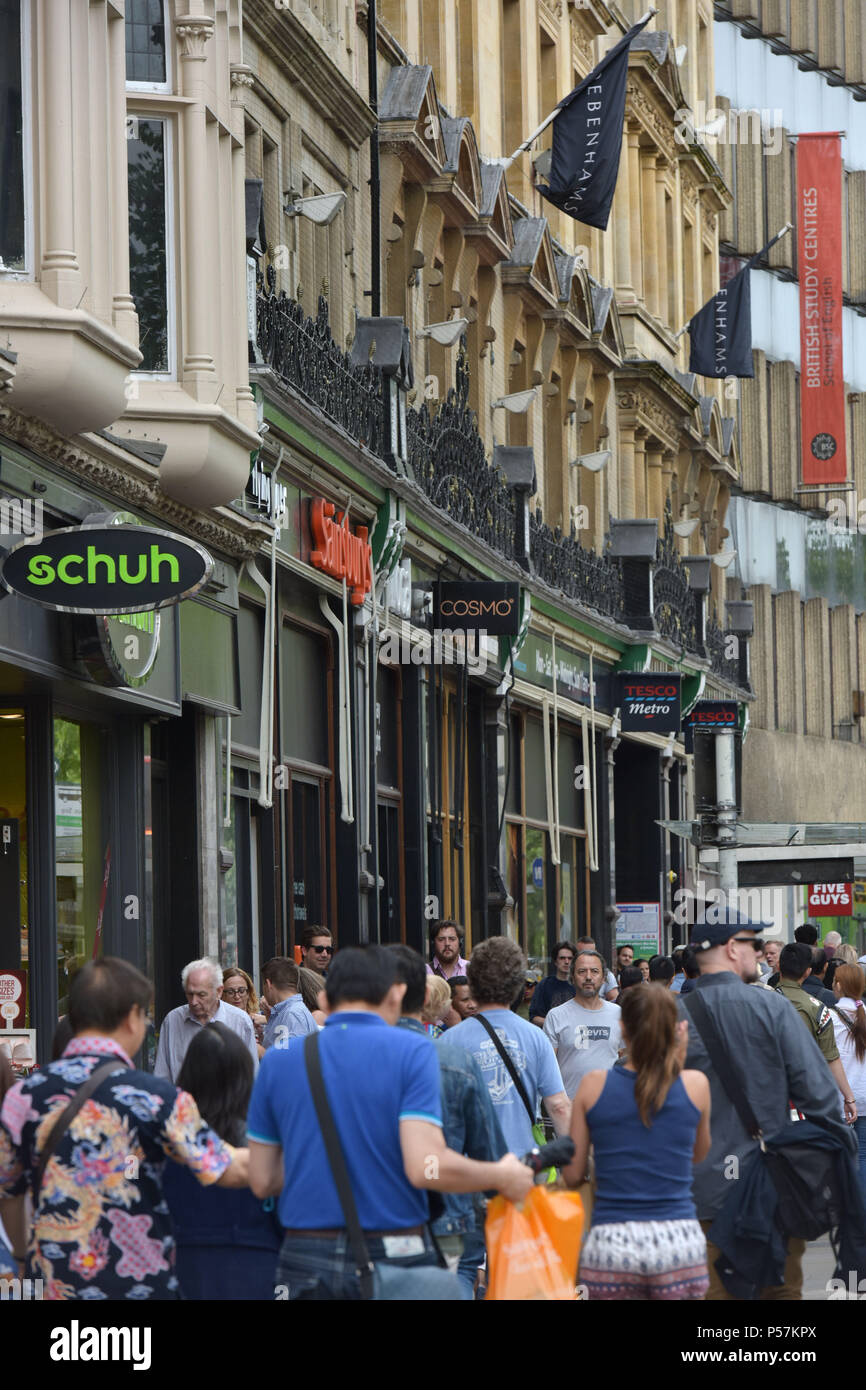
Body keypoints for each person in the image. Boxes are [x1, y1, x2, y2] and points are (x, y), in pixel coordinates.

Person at [246, 945, 533, 1300]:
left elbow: (262, 1179)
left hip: (307, 1254)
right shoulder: (414, 1053)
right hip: (396, 1251)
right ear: (395, 994)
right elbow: (425, 1167)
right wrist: (501, 1175)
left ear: (324, 997)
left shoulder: (279, 1060)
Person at [0, 957, 250, 1300]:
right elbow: (227, 1169)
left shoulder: (21, 1097)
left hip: (54, 1287)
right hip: (141, 1286)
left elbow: (9, 1193)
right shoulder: (157, 1098)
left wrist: (20, 1256)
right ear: (132, 1017)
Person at [680, 909, 856, 1300]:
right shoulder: (773, 1009)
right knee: (779, 1294)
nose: (760, 954)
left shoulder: (670, 1019)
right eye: (754, 944)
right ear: (731, 949)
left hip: (695, 1196)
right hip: (771, 1191)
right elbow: (821, 1099)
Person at [563, 984, 711, 1300]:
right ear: (675, 1031)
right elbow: (698, 1154)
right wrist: (679, 1056)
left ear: (622, 1029)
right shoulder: (696, 1085)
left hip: (613, 1242)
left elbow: (573, 1175)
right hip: (677, 1240)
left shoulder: (593, 1086)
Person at [387, 944, 507, 1300]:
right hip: (446, 1217)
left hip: (368, 1222)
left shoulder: (334, 1060)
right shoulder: (453, 1059)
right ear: (426, 996)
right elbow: (489, 1153)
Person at [163, 1023, 282, 1299]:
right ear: (244, 1077)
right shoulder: (264, 1139)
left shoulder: (168, 1142)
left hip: (185, 1272)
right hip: (257, 1272)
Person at [444, 937, 571, 1155]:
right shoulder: (536, 1037)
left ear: (472, 984)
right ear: (518, 986)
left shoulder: (449, 1041)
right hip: (523, 1166)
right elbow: (558, 1106)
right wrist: (576, 1164)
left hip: (469, 1170)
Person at [775, 942, 857, 1122]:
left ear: (779, 966)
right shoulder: (818, 1009)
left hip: (769, 1098)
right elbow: (832, 1058)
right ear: (807, 971)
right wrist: (848, 1097)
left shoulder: (761, 1002)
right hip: (806, 1100)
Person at [155, 957, 258, 1083]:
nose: (194, 1002)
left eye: (201, 995)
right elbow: (162, 1076)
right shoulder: (172, 1021)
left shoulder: (240, 1021)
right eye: (189, 994)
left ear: (219, 991)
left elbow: (251, 1078)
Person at [543, 950, 622, 1100]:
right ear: (572, 977)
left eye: (594, 971)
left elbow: (626, 1057)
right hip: (569, 1107)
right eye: (581, 971)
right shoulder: (556, 1016)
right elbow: (547, 1067)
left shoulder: (618, 1014)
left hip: (610, 1104)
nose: (588, 977)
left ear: (604, 978)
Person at [831, 965, 866, 1200]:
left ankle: (848, 1210)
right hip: (864, 1095)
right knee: (863, 1155)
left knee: (841, 1156)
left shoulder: (830, 1017)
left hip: (842, 1097)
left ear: (839, 985)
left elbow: (828, 1058)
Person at [261, 957, 317, 1050]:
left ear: (268, 984)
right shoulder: (290, 1012)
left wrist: (261, 1052)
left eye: (263, 984)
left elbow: (292, 1058)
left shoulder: (293, 1014)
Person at [223, 966, 268, 1057]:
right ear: (221, 995)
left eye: (241, 991)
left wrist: (269, 1020)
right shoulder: (218, 1022)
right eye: (230, 992)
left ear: (249, 992)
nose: (237, 996)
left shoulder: (262, 1019)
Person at [528, 942, 577, 1025]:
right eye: (562, 958)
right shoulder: (544, 985)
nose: (566, 961)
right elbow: (534, 1017)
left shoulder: (579, 985)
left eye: (570, 958)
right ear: (555, 961)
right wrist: (555, 1024)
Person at [577, 936, 618, 1001]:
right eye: (583, 953)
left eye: (590, 953)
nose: (587, 956)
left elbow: (613, 999)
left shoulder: (607, 975)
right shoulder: (569, 974)